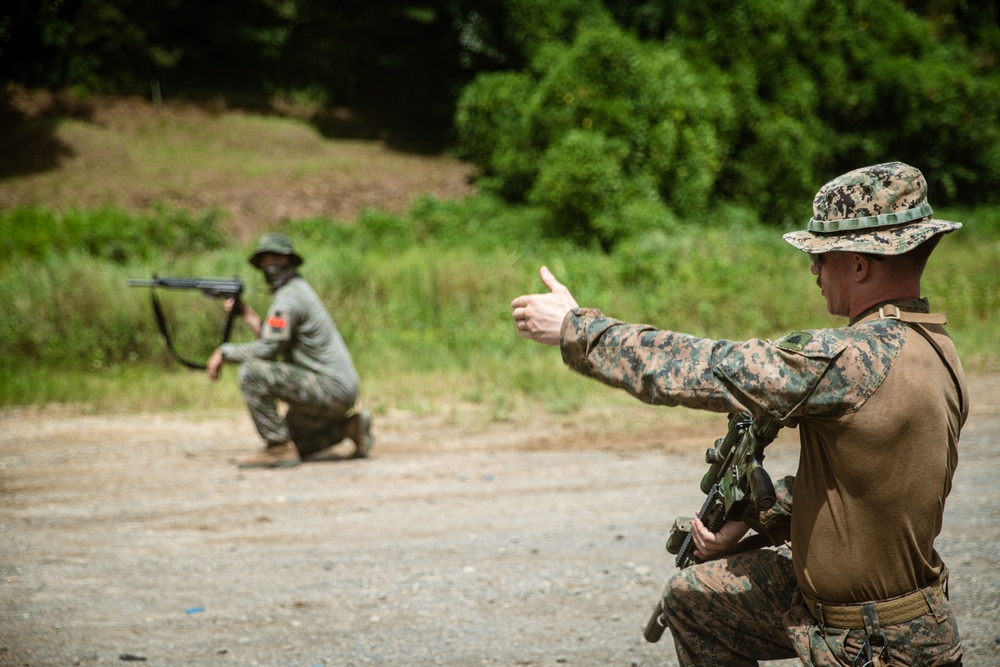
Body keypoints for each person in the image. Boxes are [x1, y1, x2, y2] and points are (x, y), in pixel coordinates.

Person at [510, 162, 967, 666]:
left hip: (877, 641)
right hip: (890, 612)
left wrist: (579, 328)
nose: (814, 268)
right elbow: (865, 487)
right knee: (692, 598)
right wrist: (756, 517)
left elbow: (702, 368)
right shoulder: (935, 345)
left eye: (821, 255)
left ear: (859, 265)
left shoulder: (853, 359)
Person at [207, 233, 372, 468]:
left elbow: (268, 349)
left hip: (328, 388)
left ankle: (277, 448)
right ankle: (349, 428)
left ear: (290, 261)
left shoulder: (288, 299)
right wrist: (247, 314)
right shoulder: (297, 289)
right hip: (338, 388)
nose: (270, 265)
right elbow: (273, 338)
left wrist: (224, 352)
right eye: (265, 260)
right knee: (296, 444)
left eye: (275, 258)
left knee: (252, 372)